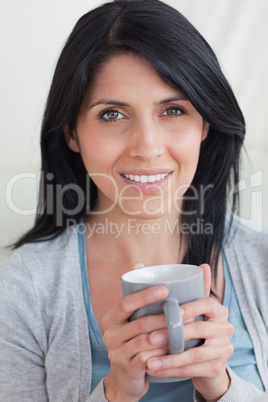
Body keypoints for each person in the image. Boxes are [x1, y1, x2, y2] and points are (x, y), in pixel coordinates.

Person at [0, 0, 267, 401]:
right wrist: (116, 393)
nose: (147, 147)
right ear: (71, 132)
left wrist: (223, 388)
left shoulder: (261, 262)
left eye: (173, 110)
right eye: (112, 114)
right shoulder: (23, 289)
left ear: (205, 124)